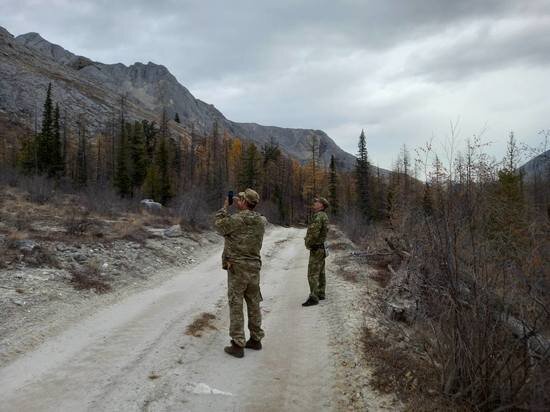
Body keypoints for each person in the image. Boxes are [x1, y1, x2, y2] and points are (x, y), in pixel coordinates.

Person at [214, 188, 267, 358]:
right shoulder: (261, 221)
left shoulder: (237, 219)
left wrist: (225, 207)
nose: (238, 201)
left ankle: (238, 343)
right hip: (254, 266)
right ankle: (256, 339)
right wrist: (240, 205)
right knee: (253, 302)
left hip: (237, 267)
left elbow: (220, 226)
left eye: (241, 199)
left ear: (245, 202)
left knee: (236, 303)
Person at [302, 197, 330, 307]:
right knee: (321, 271)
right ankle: (321, 293)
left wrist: (308, 243)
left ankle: (314, 297)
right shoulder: (324, 216)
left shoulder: (319, 216)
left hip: (317, 248)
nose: (314, 203)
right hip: (322, 247)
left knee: (312, 273)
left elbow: (314, 233)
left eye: (317, 202)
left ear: (322, 205)